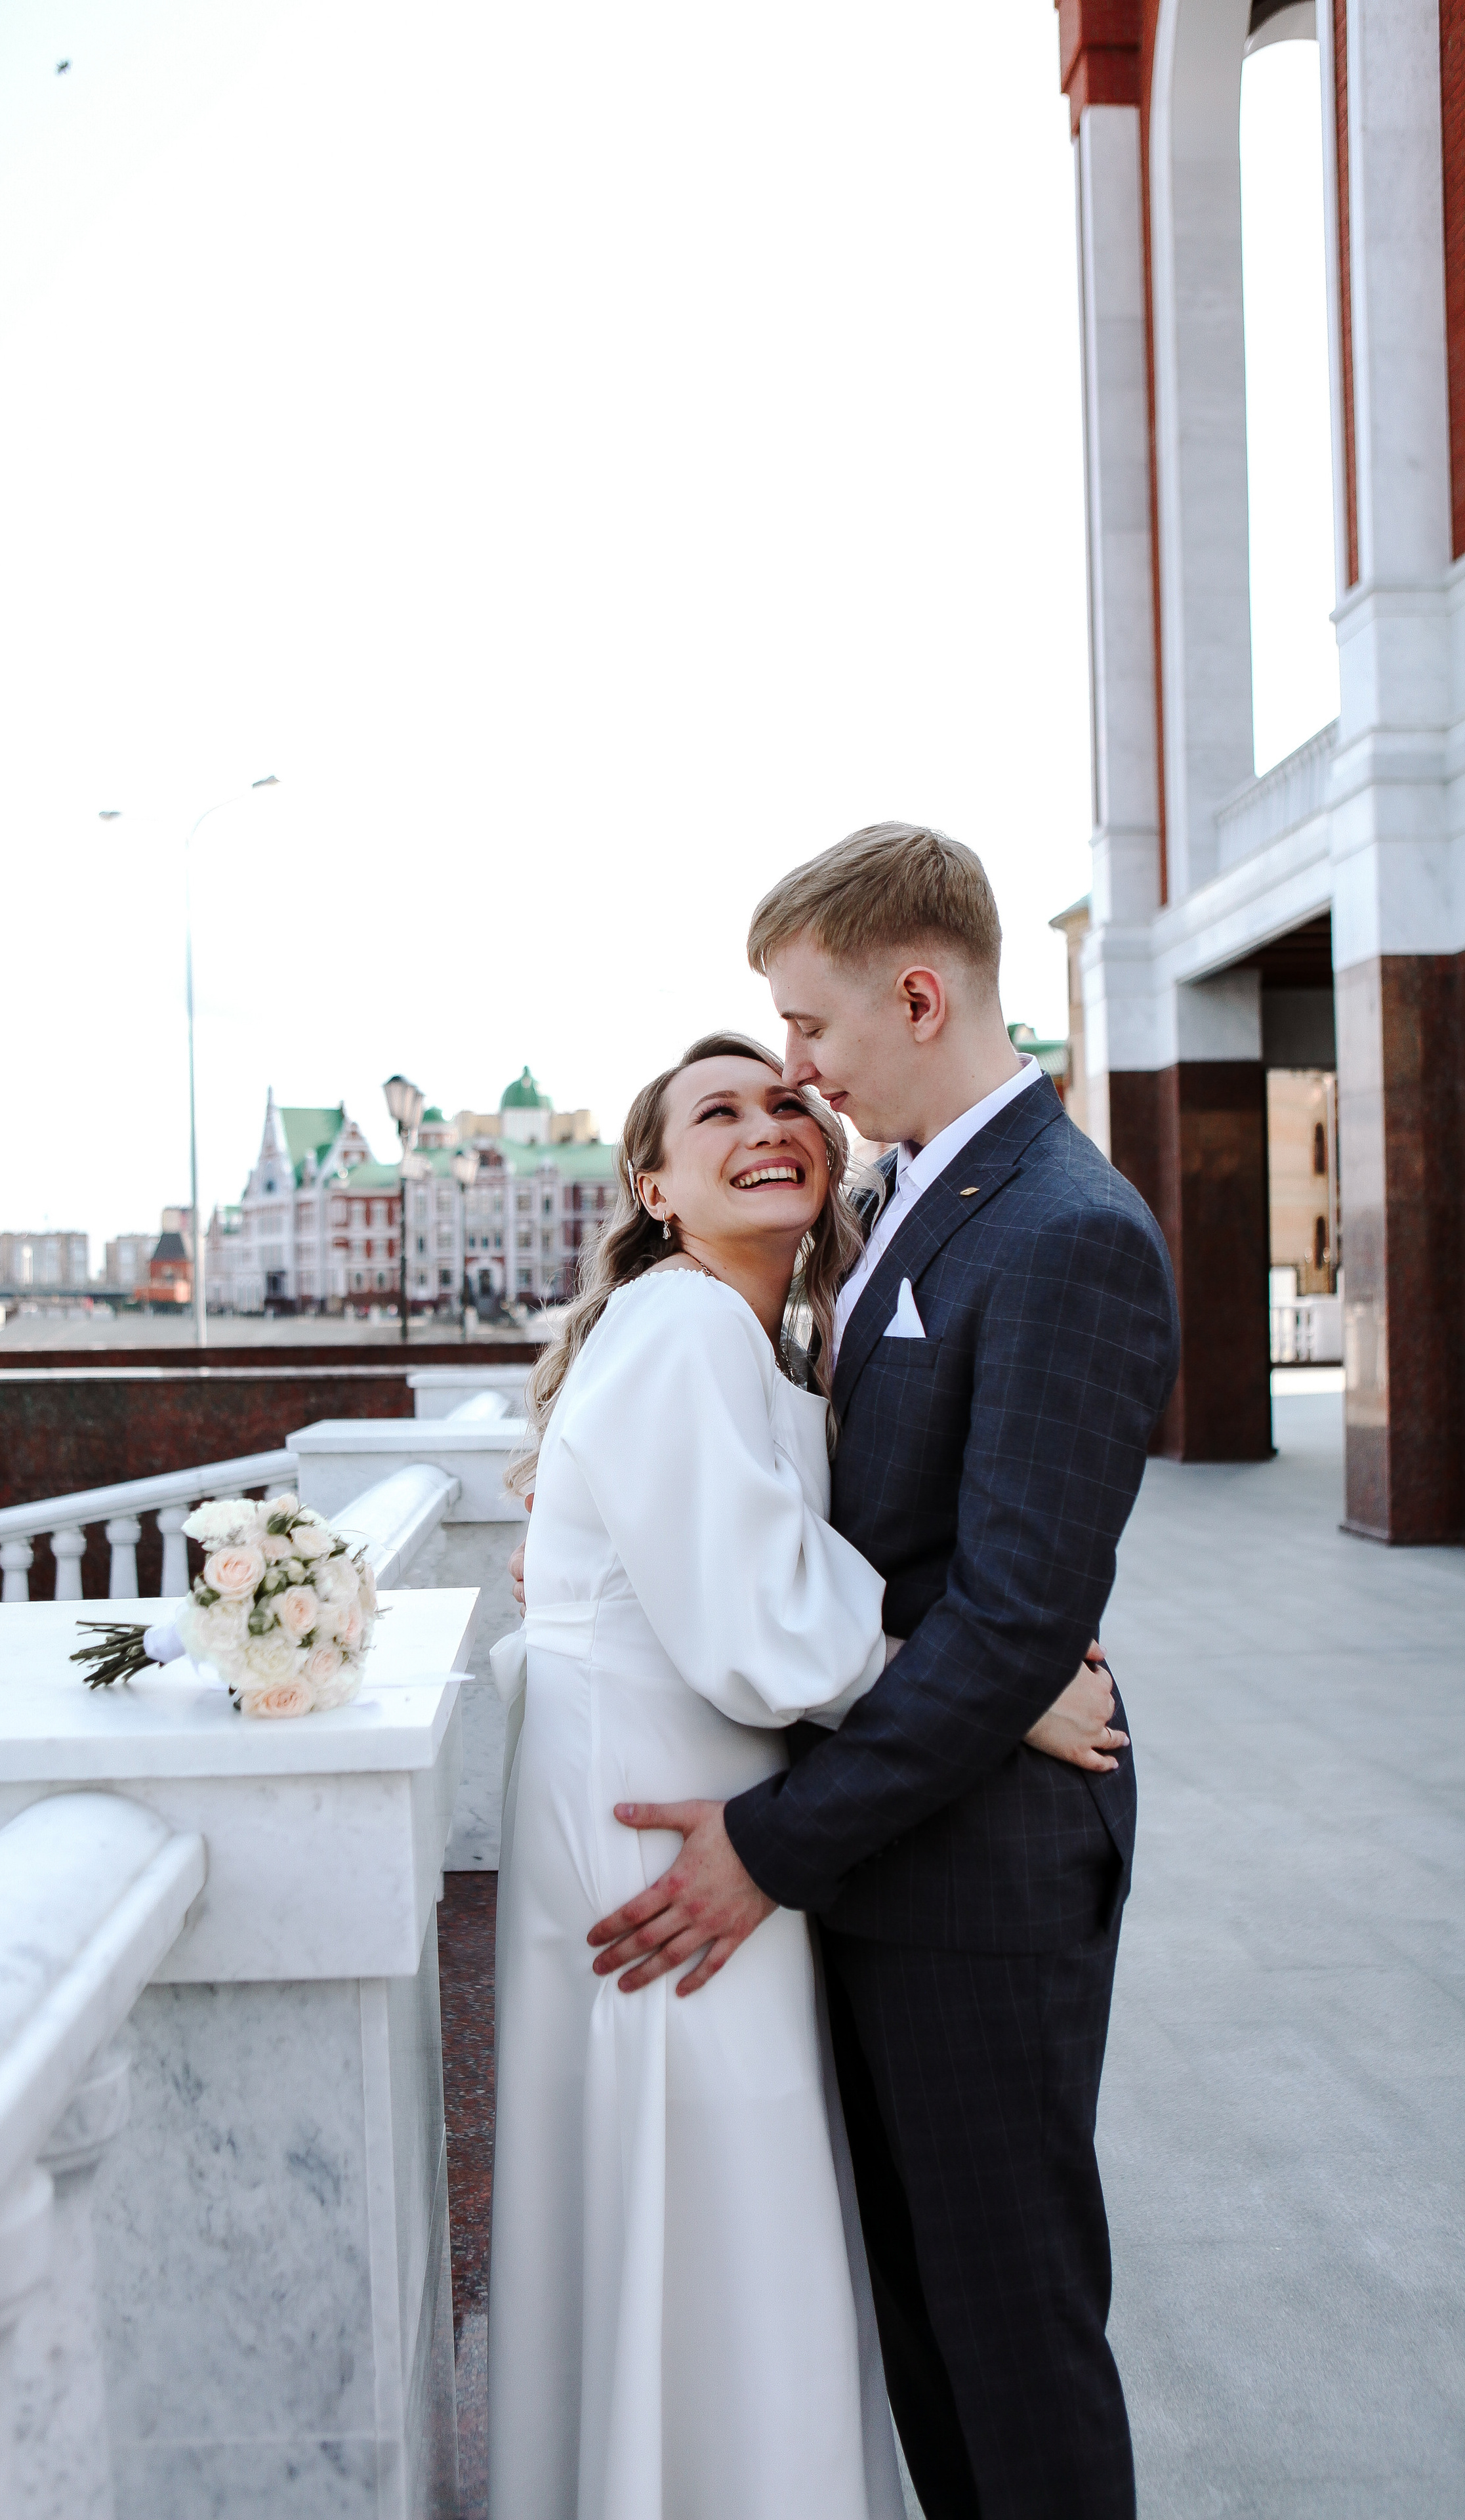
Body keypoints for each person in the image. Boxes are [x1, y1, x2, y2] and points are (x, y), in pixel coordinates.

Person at [581, 825, 1180, 2520]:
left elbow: (1006, 1619)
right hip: (900, 1852)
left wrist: (773, 1848)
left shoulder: (1069, 1231)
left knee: (1011, 2336)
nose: (798, 1073)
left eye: (813, 1032)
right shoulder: (917, 1200)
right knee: (923, 2330)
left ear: (918, 995)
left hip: (981, 1875)